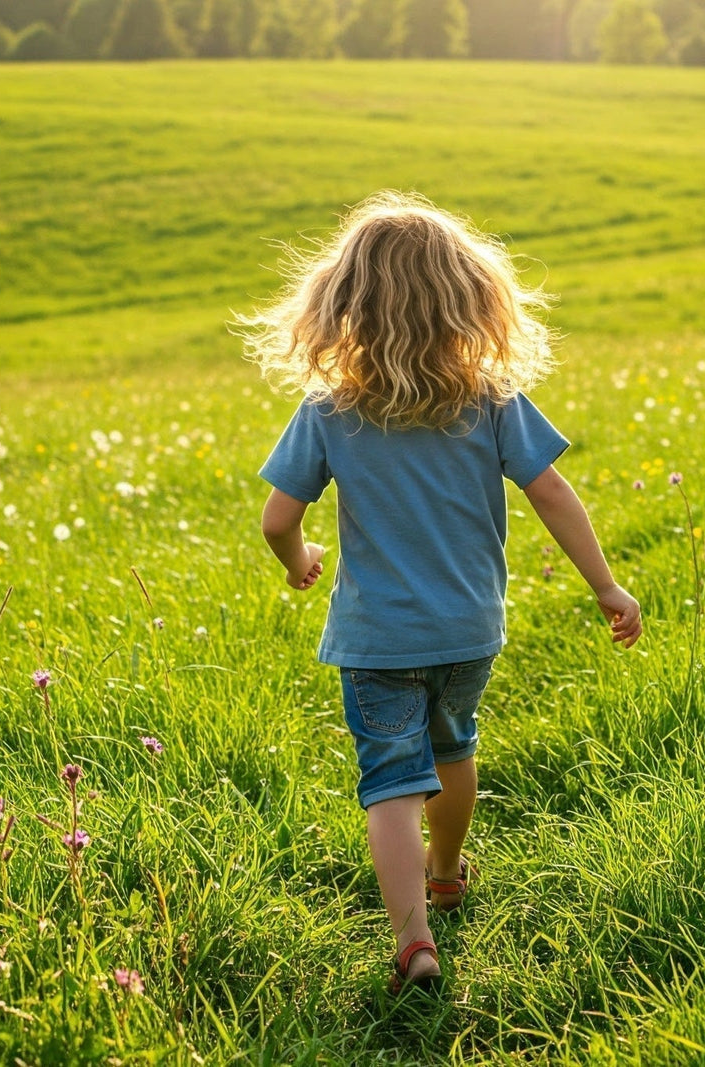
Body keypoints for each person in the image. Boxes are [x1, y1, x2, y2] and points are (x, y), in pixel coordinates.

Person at [237, 191, 642, 994]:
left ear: (342, 304)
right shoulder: (489, 400)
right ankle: (448, 868)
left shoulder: (329, 412)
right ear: (468, 298)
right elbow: (552, 493)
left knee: (390, 781)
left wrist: (298, 557)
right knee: (454, 748)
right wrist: (606, 583)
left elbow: (276, 516)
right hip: (468, 629)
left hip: (376, 637)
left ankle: (414, 942)